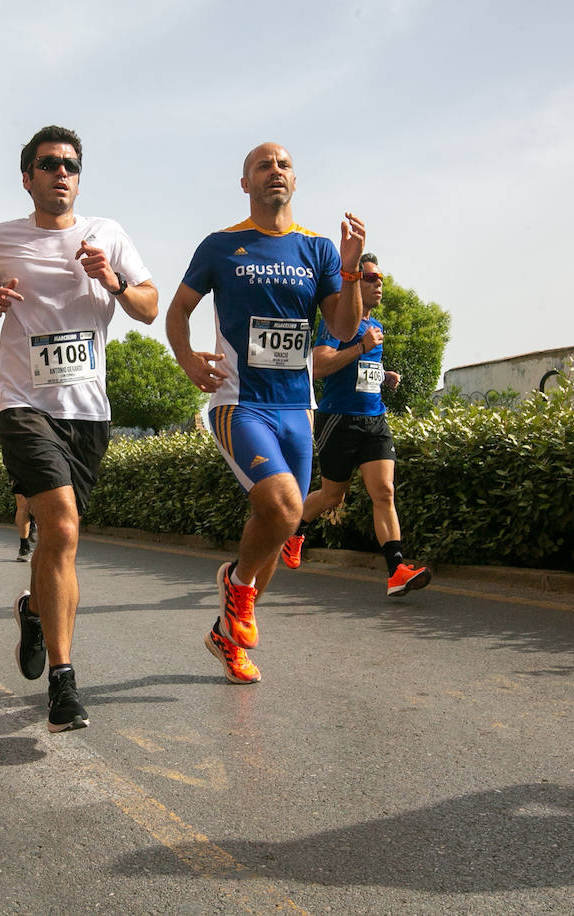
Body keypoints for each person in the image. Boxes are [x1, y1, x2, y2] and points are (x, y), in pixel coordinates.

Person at [0, 124, 158, 732]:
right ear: (29, 176)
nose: (61, 173)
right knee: (64, 527)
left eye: (71, 164)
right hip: (23, 402)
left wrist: (114, 281)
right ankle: (64, 685)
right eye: (48, 164)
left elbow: (149, 306)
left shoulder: (108, 234)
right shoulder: (2, 237)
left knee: (57, 540)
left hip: (87, 411)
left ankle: (33, 614)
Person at [166, 141, 366, 686]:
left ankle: (227, 633)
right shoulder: (222, 245)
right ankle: (236, 583)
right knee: (281, 508)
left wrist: (348, 273)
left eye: (283, 165)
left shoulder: (319, 250)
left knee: (280, 525)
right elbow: (178, 309)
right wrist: (186, 359)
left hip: (296, 407)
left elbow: (344, 330)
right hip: (239, 401)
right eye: (262, 166)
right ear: (245, 182)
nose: (274, 172)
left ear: (295, 180)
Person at [281, 253, 431, 596]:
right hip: (338, 419)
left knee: (385, 491)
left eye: (380, 278)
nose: (378, 284)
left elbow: (362, 371)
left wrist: (383, 375)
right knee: (333, 497)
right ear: (354, 283)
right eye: (371, 278)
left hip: (374, 419)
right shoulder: (337, 322)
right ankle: (293, 531)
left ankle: (397, 572)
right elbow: (318, 365)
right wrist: (361, 346)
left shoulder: (375, 326)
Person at [0, 411, 37, 561]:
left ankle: (33, 521)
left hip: (42, 453)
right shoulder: (5, 398)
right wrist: (5, 441)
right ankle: (24, 547)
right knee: (23, 503)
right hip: (16, 457)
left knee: (39, 499)